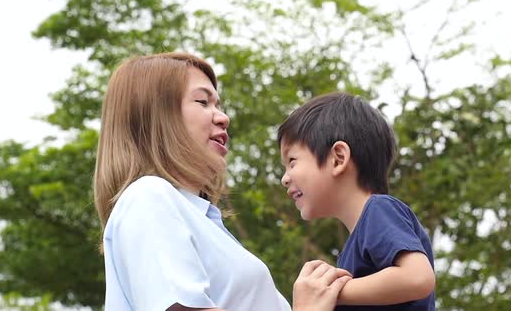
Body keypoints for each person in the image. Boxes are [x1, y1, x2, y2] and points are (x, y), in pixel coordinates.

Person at [93, 52, 351, 311]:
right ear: (155, 114)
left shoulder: (203, 220)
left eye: (217, 104)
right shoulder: (149, 197)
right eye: (203, 101)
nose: (223, 117)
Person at [277, 92, 436, 310]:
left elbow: (417, 278)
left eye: (292, 161)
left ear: (338, 158)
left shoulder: (379, 210)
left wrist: (330, 291)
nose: (285, 178)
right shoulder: (353, 252)